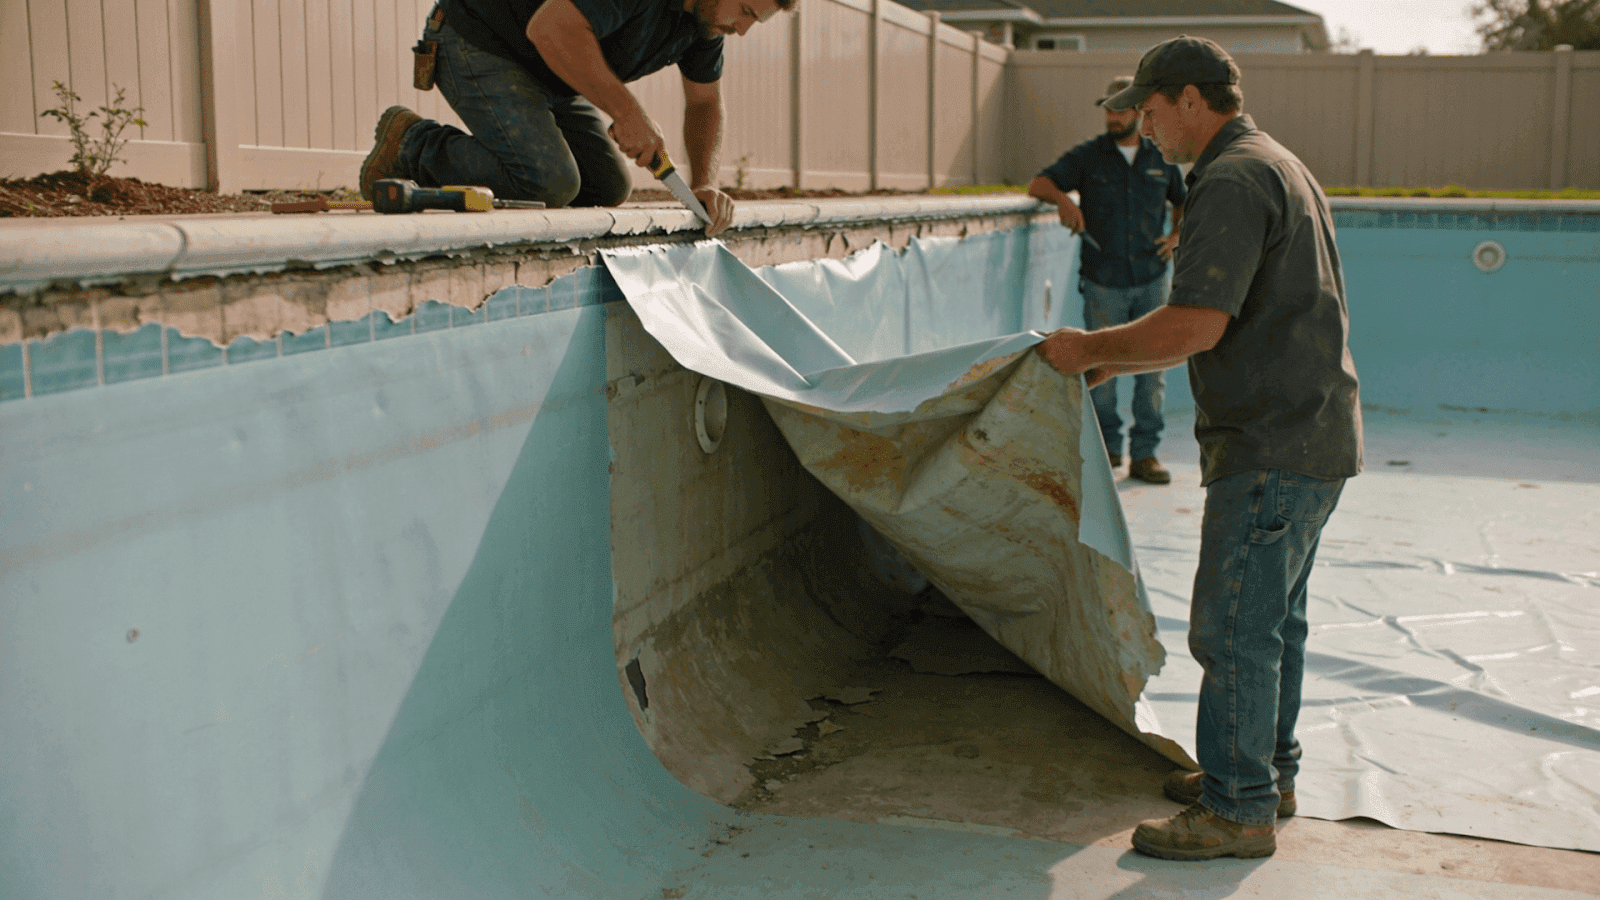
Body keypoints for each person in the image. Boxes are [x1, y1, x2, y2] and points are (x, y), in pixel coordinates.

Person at [1036, 35, 1362, 861]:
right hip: (1313, 431)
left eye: (1150, 111)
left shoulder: (1231, 179)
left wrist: (1087, 347)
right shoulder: (1275, 161)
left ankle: (1237, 809)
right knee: (1275, 623)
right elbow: (1228, 317)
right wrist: (1113, 362)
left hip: (1270, 441)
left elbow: (1196, 325)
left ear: (1190, 98)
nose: (1145, 130)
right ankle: (1267, 775)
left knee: (1233, 629)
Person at [359, 0, 794, 236]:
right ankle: (412, 142)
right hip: (478, 40)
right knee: (547, 182)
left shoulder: (704, 24)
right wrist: (627, 111)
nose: (742, 29)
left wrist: (703, 184)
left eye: (755, 21)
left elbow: (704, 104)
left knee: (608, 186)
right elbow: (550, 28)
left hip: (549, 72)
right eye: (746, 11)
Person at [1028, 76, 1186, 485]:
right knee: (1098, 367)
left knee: (1152, 371)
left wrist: (1175, 234)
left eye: (1120, 109)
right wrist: (1064, 200)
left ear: (1137, 111)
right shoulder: (1089, 156)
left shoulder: (1161, 157)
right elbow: (1039, 183)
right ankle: (1107, 450)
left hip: (1152, 278)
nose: (1112, 117)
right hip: (1103, 280)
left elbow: (1184, 201)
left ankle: (1146, 455)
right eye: (1108, 109)